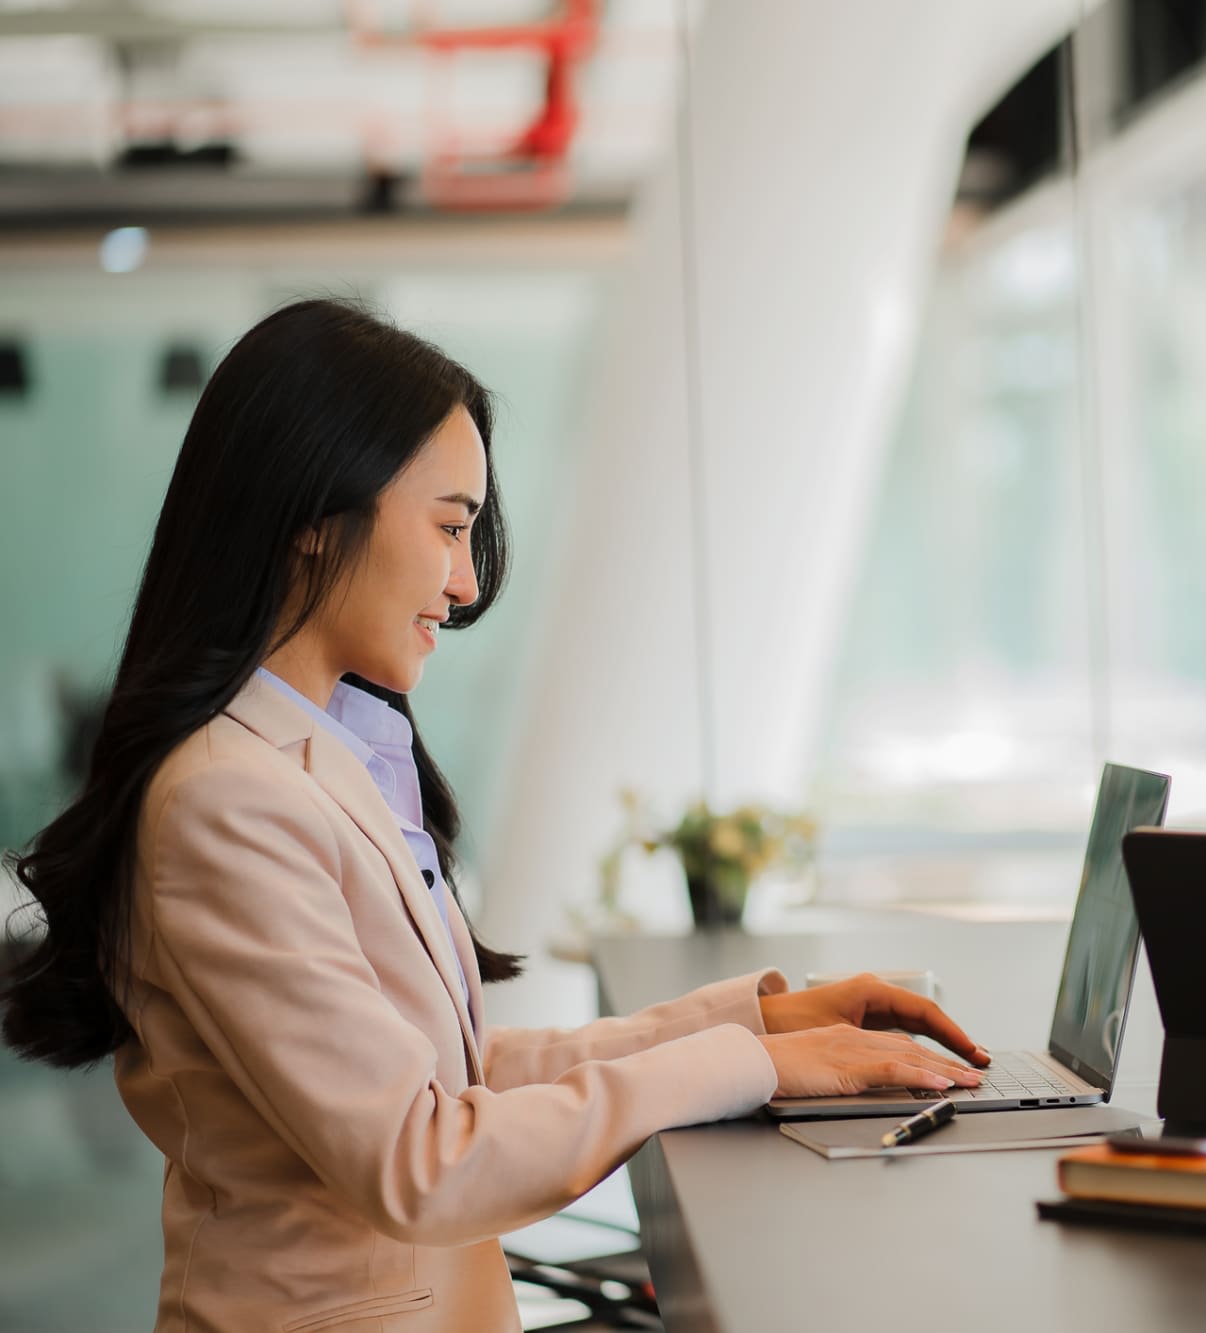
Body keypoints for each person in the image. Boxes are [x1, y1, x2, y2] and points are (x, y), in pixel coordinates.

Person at [0, 298, 989, 1332]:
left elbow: (458, 1080)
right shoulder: (225, 801)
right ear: (310, 510)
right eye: (449, 525)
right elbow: (421, 1160)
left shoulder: (323, 760)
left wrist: (752, 1022)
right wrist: (754, 1066)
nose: (466, 583)